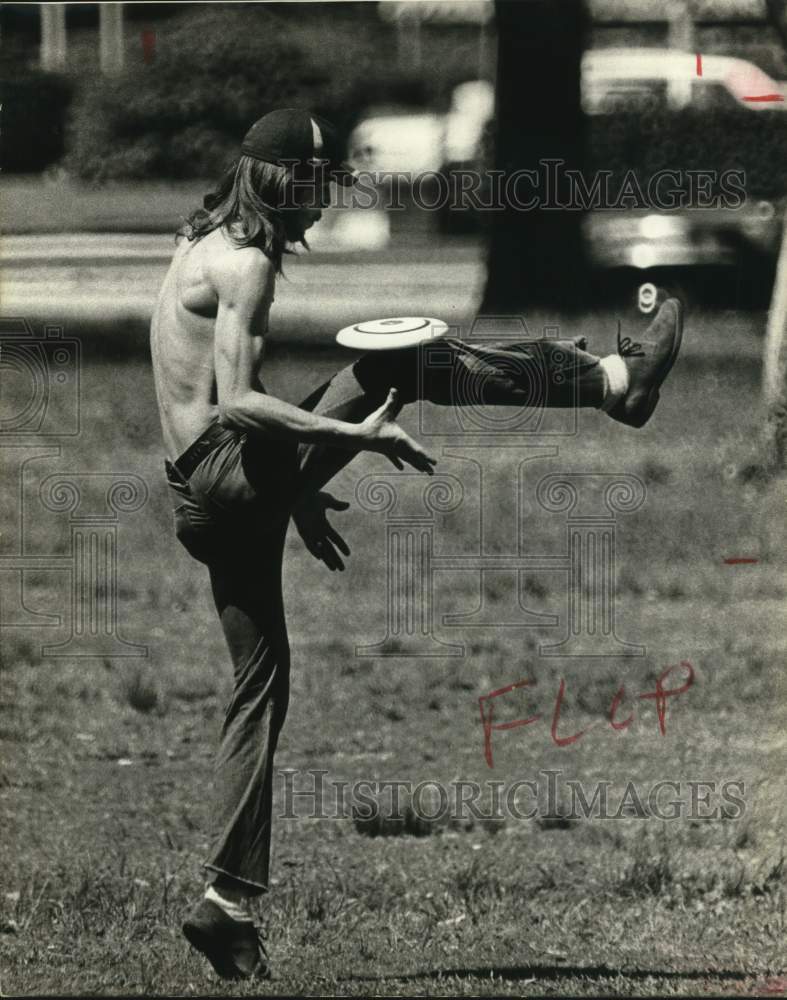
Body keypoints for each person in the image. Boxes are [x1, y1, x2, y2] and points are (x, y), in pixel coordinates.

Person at [150, 108, 683, 980]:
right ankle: (613, 383)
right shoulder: (245, 264)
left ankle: (227, 906)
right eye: (320, 184)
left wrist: (292, 487)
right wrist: (352, 443)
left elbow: (201, 409)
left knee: (259, 689)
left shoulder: (199, 241)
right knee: (410, 360)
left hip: (202, 496)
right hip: (228, 472)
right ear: (284, 179)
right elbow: (240, 404)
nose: (327, 201)